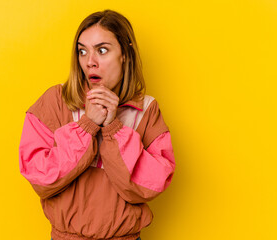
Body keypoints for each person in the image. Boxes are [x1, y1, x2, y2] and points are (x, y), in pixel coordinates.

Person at [19, 9, 175, 240]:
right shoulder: (56, 101)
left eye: (102, 50)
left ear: (125, 54)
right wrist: (87, 126)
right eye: (83, 51)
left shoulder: (147, 109)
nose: (90, 62)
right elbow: (40, 176)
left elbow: (151, 185)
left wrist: (114, 128)